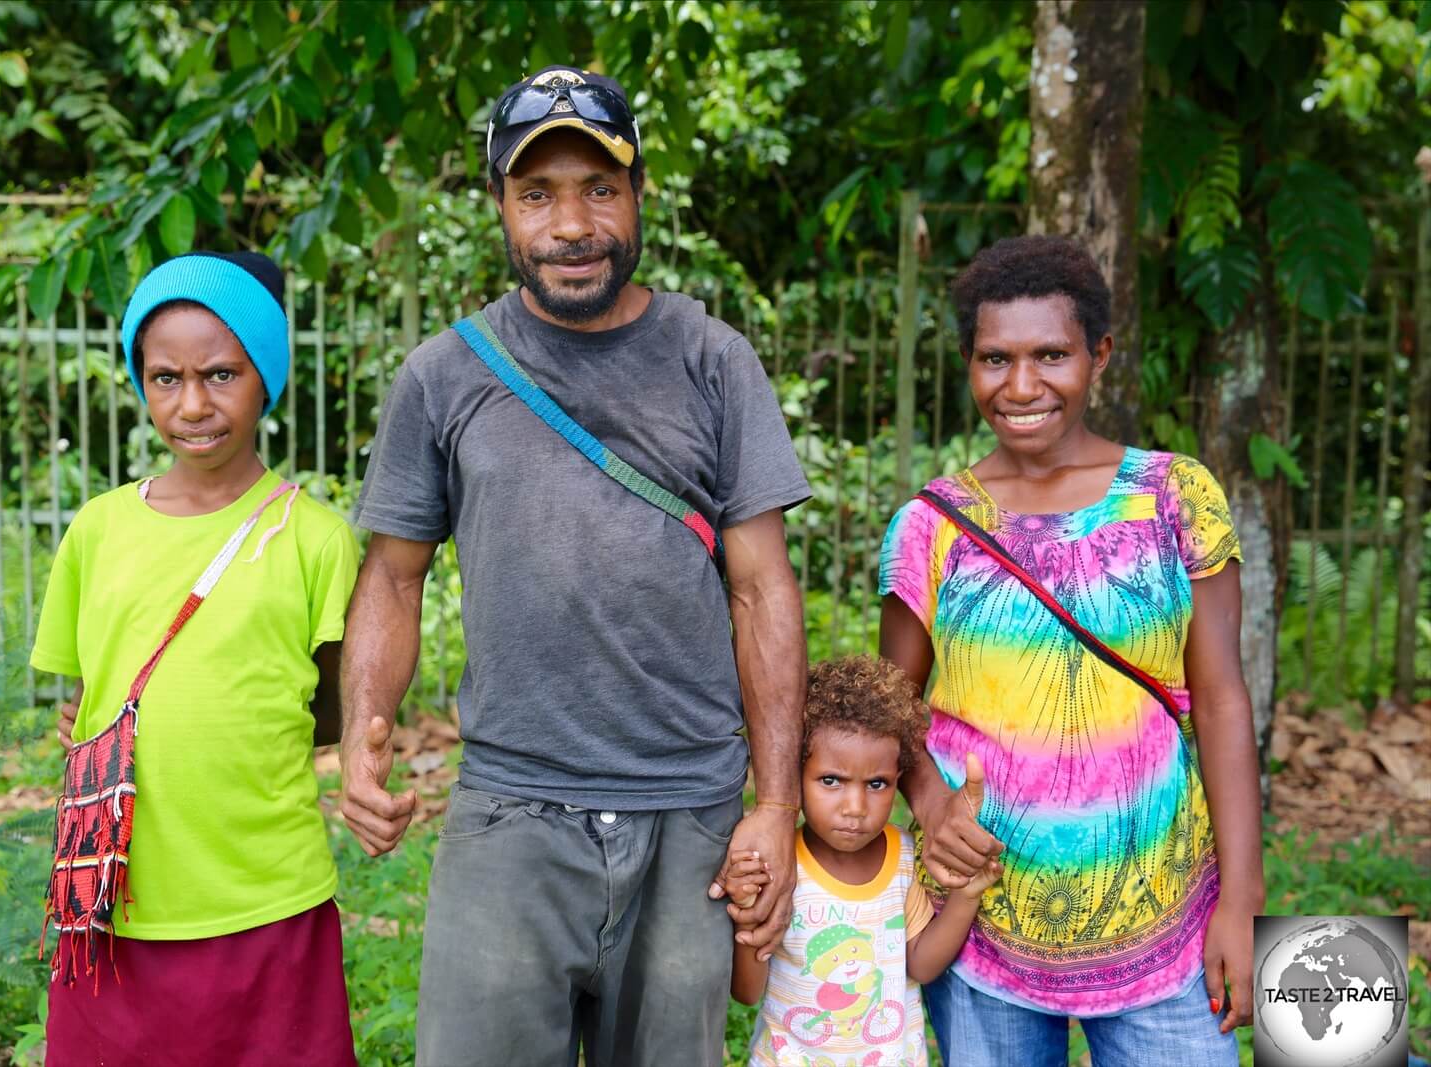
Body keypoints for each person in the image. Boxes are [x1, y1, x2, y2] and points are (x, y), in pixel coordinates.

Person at [341, 65, 811, 1066]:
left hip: (688, 813)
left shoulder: (712, 359)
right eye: (537, 193)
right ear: (501, 208)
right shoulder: (444, 374)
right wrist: (359, 735)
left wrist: (773, 806)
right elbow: (391, 575)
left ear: (639, 194)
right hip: (511, 809)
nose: (571, 224)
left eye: (599, 188)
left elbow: (761, 585)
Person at [878, 235, 1264, 1066]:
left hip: (1166, 919)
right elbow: (890, 712)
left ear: (1100, 354)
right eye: (995, 359)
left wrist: (1244, 897)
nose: (1021, 387)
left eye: (1051, 354)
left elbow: (1225, 699)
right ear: (969, 364)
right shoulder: (932, 524)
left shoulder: (1174, 496)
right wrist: (932, 803)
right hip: (981, 926)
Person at [33, 252, 360, 1066]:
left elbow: (335, 708)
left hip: (267, 896)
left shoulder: (315, 538)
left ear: (266, 379)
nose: (193, 404)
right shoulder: (97, 531)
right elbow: (87, 697)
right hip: (115, 901)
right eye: (166, 378)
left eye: (221, 373)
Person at [725, 655, 1002, 1067]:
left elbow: (921, 966)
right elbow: (746, 993)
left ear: (899, 778)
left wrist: (966, 897)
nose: (855, 807)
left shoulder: (905, 858)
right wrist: (749, 911)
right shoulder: (779, 865)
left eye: (877, 784)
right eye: (831, 781)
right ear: (796, 773)